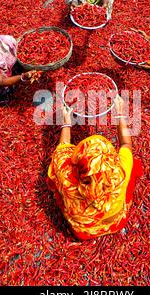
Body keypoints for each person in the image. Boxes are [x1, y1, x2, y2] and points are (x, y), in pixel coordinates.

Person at [47, 95, 143, 240]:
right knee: (133, 163)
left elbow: (61, 150)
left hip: (82, 232)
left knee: (54, 168)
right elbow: (125, 145)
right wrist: (120, 114)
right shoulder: (119, 173)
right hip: (115, 222)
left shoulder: (65, 174)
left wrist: (66, 124)